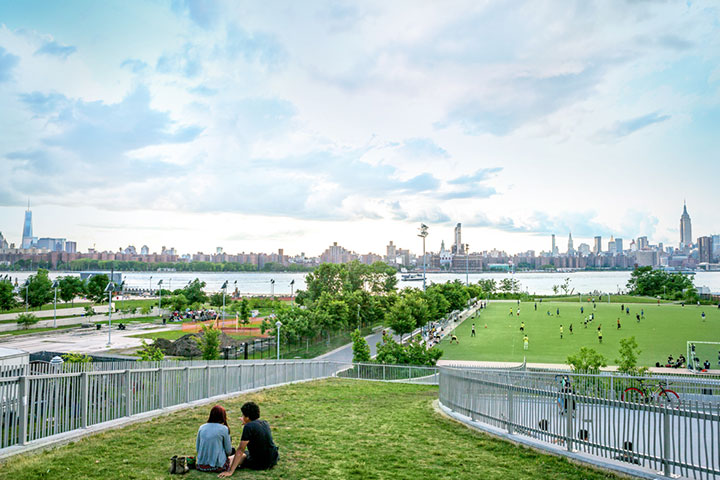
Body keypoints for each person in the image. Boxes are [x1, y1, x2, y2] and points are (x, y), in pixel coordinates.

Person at [219, 402, 278, 477]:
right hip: (272, 459)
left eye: (243, 415)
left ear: (247, 417)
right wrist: (246, 422)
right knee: (245, 453)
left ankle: (223, 465)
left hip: (260, 463)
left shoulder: (248, 427)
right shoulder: (264, 423)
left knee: (239, 455)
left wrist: (230, 471)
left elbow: (240, 450)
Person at [196, 405, 234, 473]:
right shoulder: (224, 429)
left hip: (201, 465)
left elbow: (198, 448)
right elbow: (229, 451)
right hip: (218, 466)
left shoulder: (201, 427)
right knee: (240, 456)